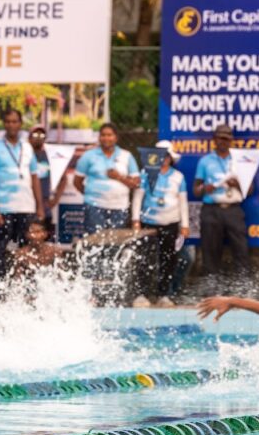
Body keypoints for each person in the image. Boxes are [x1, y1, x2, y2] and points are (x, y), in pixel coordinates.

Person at [0, 108, 45, 279]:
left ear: (20, 124)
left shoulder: (27, 147)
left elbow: (35, 177)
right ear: (4, 124)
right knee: (0, 248)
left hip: (27, 206)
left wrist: (40, 206)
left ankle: (25, 283)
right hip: (4, 207)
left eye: (15, 121)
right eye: (8, 121)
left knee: (26, 248)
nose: (11, 125)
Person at [131, 140, 189, 307]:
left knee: (169, 260)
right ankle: (141, 295)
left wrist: (185, 225)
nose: (163, 159)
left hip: (171, 223)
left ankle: (164, 295)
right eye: (160, 155)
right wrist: (135, 220)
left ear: (171, 158)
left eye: (167, 156)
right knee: (144, 259)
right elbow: (138, 198)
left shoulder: (178, 177)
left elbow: (183, 202)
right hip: (148, 223)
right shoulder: (145, 174)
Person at [194, 124, 250, 279]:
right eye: (220, 138)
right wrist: (205, 188)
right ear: (214, 139)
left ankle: (243, 286)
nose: (223, 142)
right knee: (210, 251)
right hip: (211, 210)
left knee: (241, 250)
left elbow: (250, 189)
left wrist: (236, 184)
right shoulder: (205, 161)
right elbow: (196, 190)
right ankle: (211, 286)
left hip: (234, 210)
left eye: (226, 139)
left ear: (231, 140)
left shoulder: (240, 161)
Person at [74, 122, 140, 235]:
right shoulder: (88, 156)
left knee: (116, 242)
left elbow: (136, 184)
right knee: (94, 241)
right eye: (103, 135)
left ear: (116, 137)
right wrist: (92, 194)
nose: (106, 138)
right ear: (99, 137)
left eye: (109, 135)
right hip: (94, 207)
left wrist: (118, 177)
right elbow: (77, 182)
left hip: (119, 207)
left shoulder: (126, 156)